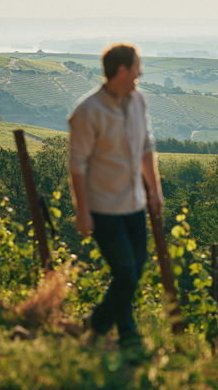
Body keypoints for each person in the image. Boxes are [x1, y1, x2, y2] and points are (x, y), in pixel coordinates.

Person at [68, 43, 164, 347]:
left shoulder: (138, 102)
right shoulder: (88, 111)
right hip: (104, 208)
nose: (140, 73)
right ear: (122, 71)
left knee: (134, 271)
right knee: (125, 273)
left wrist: (155, 191)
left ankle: (108, 327)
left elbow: (147, 147)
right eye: (137, 67)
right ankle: (120, 331)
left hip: (134, 203)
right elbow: (77, 164)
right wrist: (82, 210)